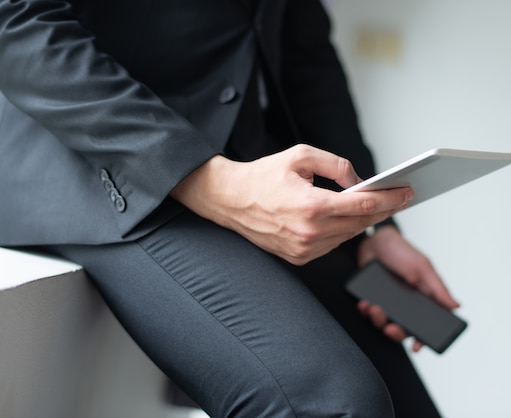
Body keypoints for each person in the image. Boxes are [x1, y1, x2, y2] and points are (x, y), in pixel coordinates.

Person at [0, 0, 460, 416]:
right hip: (101, 164)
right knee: (333, 403)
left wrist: (376, 229)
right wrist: (207, 179)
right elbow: (16, 18)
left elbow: (307, 56)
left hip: (252, 164)